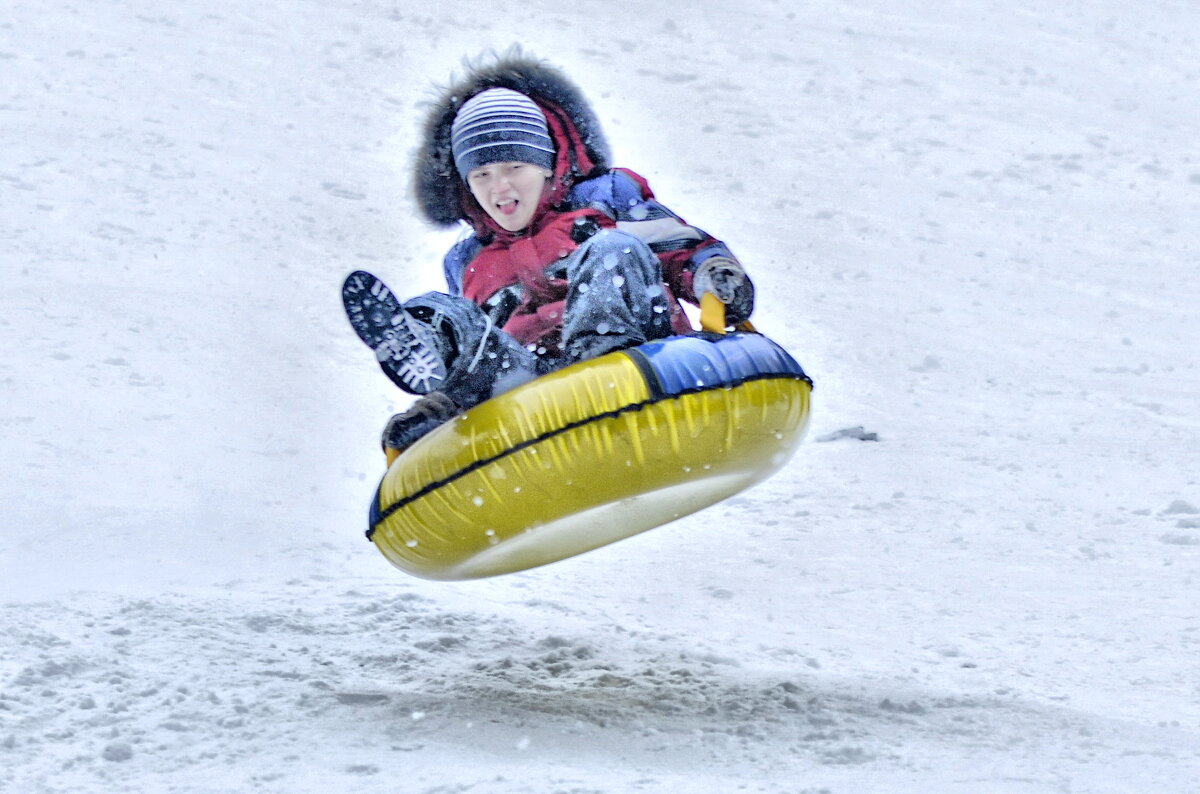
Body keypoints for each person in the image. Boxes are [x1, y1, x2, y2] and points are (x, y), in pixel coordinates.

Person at [343, 51, 755, 457]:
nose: (499, 188)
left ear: (546, 163)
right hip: (535, 387)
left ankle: (603, 370)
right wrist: (447, 397)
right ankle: (422, 345)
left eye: (514, 168)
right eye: (482, 175)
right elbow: (487, 345)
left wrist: (715, 276)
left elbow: (681, 246)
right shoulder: (467, 260)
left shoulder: (606, 197)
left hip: (640, 358)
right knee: (452, 314)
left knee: (612, 250)